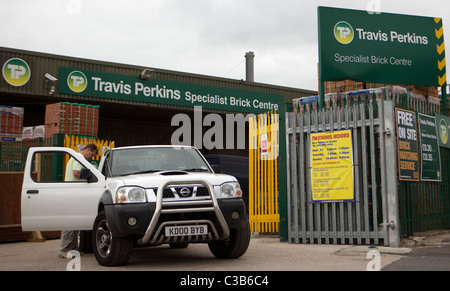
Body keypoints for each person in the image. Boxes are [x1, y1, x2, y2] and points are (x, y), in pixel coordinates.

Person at [58, 143, 98, 259]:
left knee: (75, 222)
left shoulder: (78, 157)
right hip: (72, 193)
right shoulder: (79, 157)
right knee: (70, 223)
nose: (91, 157)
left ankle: (72, 250)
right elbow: (75, 173)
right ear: (88, 150)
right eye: (92, 155)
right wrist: (91, 175)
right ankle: (64, 250)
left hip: (74, 193)